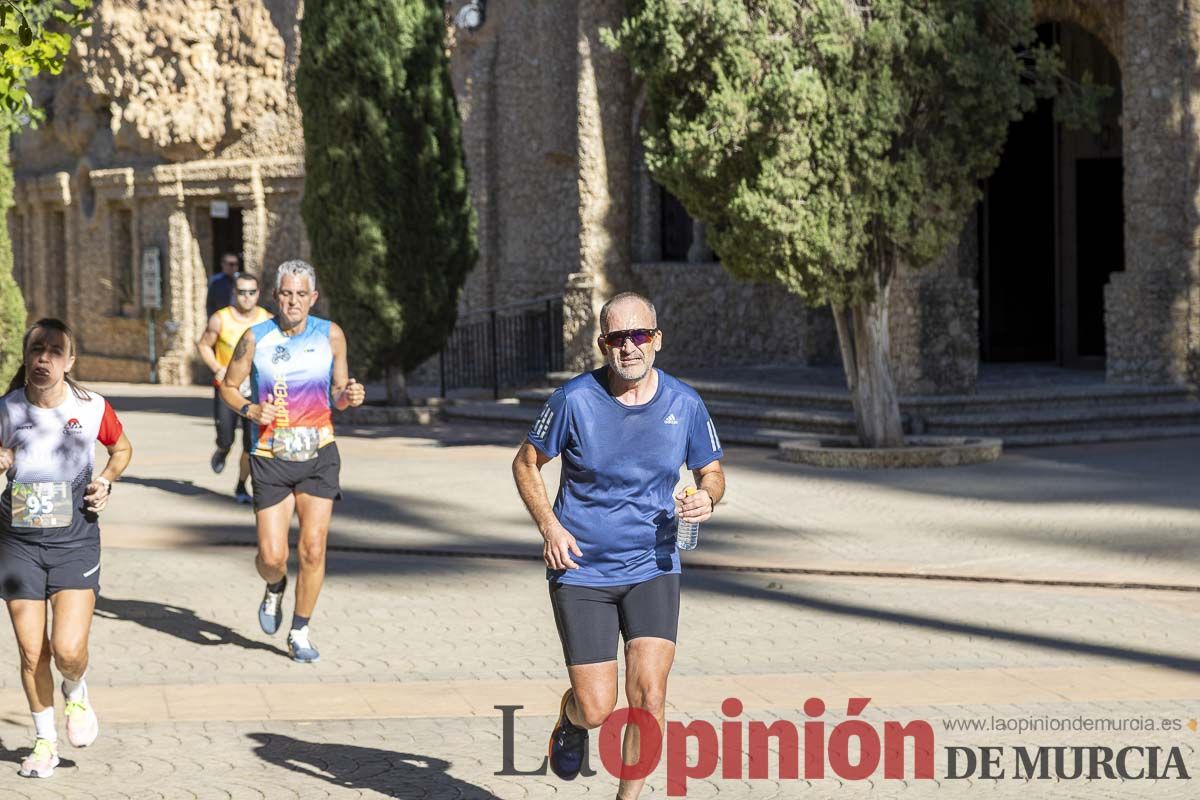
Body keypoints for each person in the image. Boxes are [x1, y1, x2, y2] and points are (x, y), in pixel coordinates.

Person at [511, 292, 725, 798]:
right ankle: (570, 720)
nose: (630, 347)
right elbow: (525, 464)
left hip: (653, 564)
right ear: (603, 344)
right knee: (597, 707)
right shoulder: (573, 400)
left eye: (640, 335)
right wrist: (551, 528)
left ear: (657, 340)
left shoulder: (685, 404)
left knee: (650, 696)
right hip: (582, 570)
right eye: (617, 338)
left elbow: (710, 472)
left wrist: (707, 500)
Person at [0, 319, 133, 779]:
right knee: (31, 649)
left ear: (70, 361)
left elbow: (121, 449)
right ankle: (43, 743)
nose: (44, 358)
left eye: (55, 351)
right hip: (18, 541)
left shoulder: (91, 407)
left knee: (67, 648)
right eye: (37, 349)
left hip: (75, 539)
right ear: (26, 355)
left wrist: (106, 482)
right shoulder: (7, 410)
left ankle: (75, 691)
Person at [219, 260, 366, 663]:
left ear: (313, 298)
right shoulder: (255, 337)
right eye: (287, 293)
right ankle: (275, 585)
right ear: (276, 296)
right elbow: (228, 387)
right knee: (272, 557)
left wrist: (348, 397)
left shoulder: (331, 335)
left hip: (319, 454)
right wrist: (249, 410)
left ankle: (300, 628)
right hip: (270, 457)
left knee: (314, 549)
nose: (294, 301)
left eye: (302, 294)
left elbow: (337, 393)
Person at [196, 272, 272, 502]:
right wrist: (216, 367)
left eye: (252, 292)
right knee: (226, 437)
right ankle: (222, 450)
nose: (247, 297)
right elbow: (204, 345)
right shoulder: (221, 318)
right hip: (228, 388)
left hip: (256, 390)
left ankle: (241, 486)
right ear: (234, 293)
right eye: (242, 292)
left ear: (258, 293)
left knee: (252, 444)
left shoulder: (267, 319)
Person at [205, 252, 240, 319]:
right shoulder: (216, 281)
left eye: (236, 264)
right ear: (223, 264)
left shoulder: (240, 279)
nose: (234, 267)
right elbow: (210, 303)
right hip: (221, 317)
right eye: (231, 264)